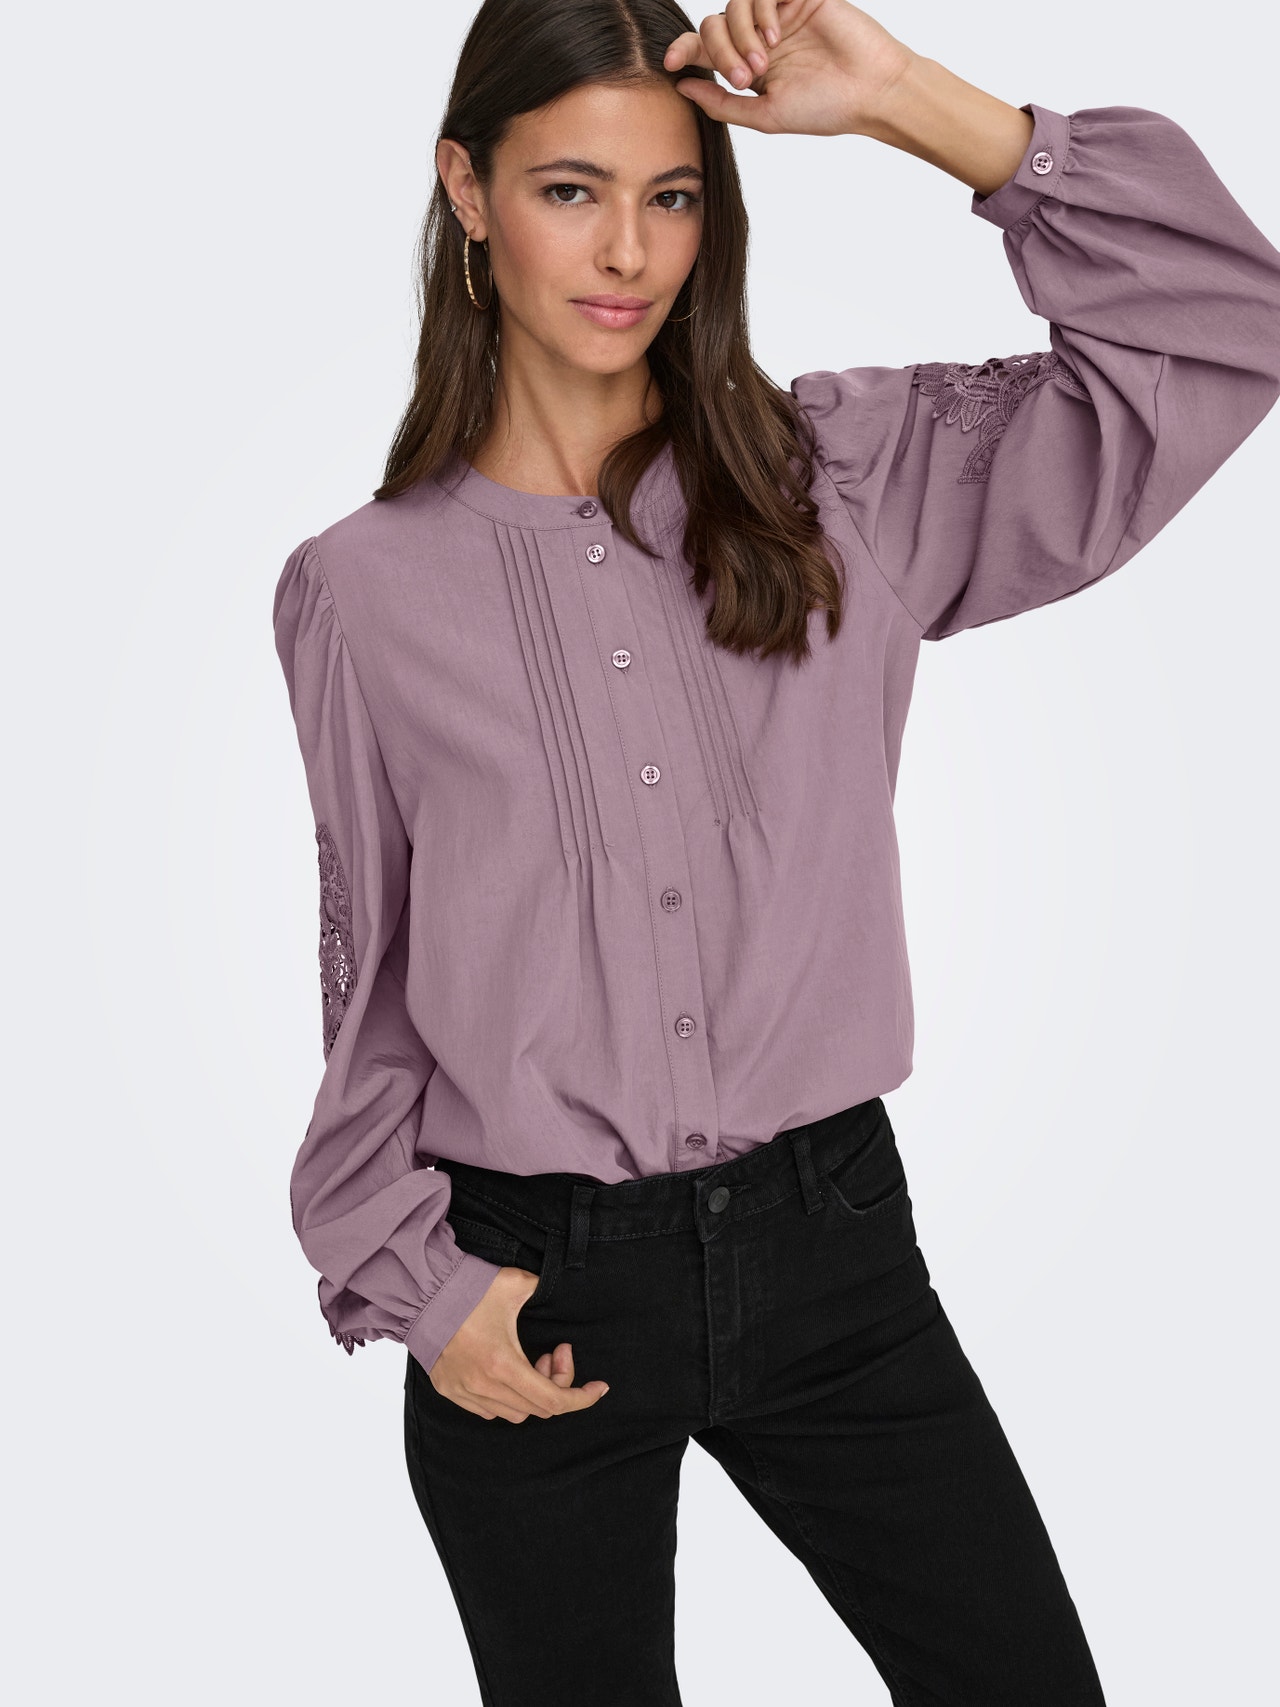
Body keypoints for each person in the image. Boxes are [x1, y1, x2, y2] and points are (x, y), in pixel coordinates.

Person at [270, 1, 1280, 1701]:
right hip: (531, 1292)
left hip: (836, 1257)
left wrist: (904, 101)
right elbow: (373, 976)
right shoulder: (359, 593)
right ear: (467, 190)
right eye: (572, 190)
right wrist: (419, 1286)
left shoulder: (847, 485)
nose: (629, 252)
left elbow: (1227, 327)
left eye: (672, 197)